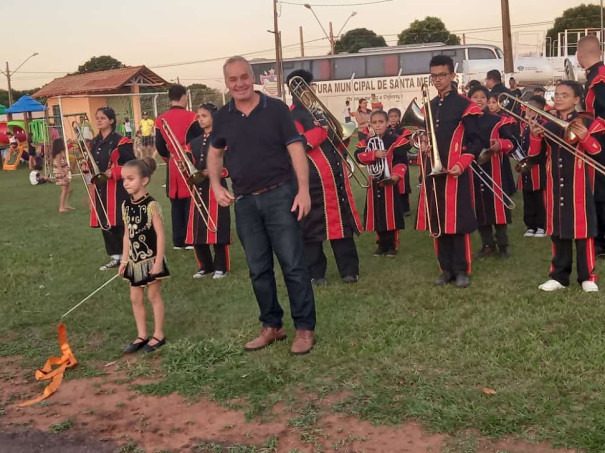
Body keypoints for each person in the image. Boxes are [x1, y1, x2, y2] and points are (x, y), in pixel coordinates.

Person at [207, 56, 316, 355]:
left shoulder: (276, 109)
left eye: (244, 77)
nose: (240, 83)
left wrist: (303, 191)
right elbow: (215, 153)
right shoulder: (223, 117)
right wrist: (216, 185)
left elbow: (297, 149)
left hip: (280, 195)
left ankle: (305, 328)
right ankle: (272, 326)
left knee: (293, 265)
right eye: (233, 79)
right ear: (226, 82)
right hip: (244, 202)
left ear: (252, 77)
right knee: (258, 269)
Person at [288, 69, 363, 285]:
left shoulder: (319, 111)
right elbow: (297, 143)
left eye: (310, 86)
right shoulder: (291, 115)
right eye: (308, 86)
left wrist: (341, 137)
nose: (311, 90)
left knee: (342, 226)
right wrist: (321, 131)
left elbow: (336, 138)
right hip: (310, 178)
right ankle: (315, 274)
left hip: (334, 175)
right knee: (311, 229)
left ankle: (349, 270)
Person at [528, 80, 603, 292]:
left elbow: (598, 153)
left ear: (577, 100)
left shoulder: (587, 123)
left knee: (583, 231)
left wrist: (585, 137)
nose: (559, 98)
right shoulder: (548, 123)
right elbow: (536, 157)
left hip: (580, 185)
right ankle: (559, 276)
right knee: (558, 231)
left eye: (565, 95)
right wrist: (534, 136)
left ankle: (587, 276)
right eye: (557, 94)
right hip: (555, 185)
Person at [416, 55, 483, 288]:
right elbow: (424, 136)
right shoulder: (429, 107)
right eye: (433, 75)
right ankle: (445, 268)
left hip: (456, 170)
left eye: (442, 75)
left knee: (458, 220)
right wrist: (422, 145)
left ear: (453, 76)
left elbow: (476, 141)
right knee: (438, 219)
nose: (438, 80)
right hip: (433, 170)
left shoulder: (466, 105)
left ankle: (461, 269)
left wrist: (462, 163)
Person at [119, 157, 169, 354]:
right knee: (135, 298)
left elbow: (161, 235)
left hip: (150, 260)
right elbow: (126, 234)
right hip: (134, 261)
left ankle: (159, 334)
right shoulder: (126, 205)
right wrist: (124, 259)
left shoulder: (151, 205)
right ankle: (142, 335)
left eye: (131, 179)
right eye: (124, 179)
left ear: (144, 180)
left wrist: (157, 263)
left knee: (153, 295)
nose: (126, 183)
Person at [468, 85, 516, 259]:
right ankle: (487, 244)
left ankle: (503, 245)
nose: (479, 100)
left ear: (488, 100)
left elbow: (511, 142)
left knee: (498, 208)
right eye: (475, 96)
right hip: (473, 169)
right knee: (480, 207)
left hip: (495, 169)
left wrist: (500, 145)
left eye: (483, 97)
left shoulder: (497, 120)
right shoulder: (466, 121)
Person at [155, 84, 204, 250]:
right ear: (184, 97)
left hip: (172, 164)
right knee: (191, 201)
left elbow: (160, 145)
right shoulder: (193, 117)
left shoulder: (160, 119)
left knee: (175, 203)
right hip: (189, 161)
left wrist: (169, 159)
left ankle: (178, 240)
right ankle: (190, 238)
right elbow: (200, 141)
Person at [186, 103, 232, 279]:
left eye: (204, 116)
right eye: (198, 116)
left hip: (217, 188)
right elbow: (189, 164)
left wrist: (213, 172)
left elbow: (229, 166)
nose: (200, 119)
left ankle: (221, 266)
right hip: (198, 189)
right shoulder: (194, 143)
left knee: (219, 226)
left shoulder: (222, 139)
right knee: (198, 228)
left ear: (214, 117)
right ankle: (205, 266)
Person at [355, 110, 409, 256]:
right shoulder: (367, 141)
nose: (378, 126)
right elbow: (358, 156)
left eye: (381, 122)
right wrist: (374, 154)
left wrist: (396, 176)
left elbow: (401, 161)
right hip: (374, 183)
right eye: (375, 123)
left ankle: (392, 244)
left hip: (390, 181)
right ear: (370, 124)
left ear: (387, 123)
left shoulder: (395, 139)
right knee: (377, 214)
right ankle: (381, 244)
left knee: (391, 214)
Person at [89, 107, 136, 271]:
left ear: (111, 120)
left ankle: (128, 255)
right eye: (97, 118)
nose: (99, 120)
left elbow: (132, 164)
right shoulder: (94, 142)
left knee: (120, 222)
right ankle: (115, 256)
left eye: (102, 118)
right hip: (100, 187)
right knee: (106, 222)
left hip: (117, 188)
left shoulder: (121, 141)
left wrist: (114, 172)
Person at [577, 34, 605, 257]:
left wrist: (586, 131)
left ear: (579, 55)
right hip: (596, 139)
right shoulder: (594, 76)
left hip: (600, 141)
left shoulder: (599, 78)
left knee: (601, 191)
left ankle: (601, 242)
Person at [518, 95, 547, 239]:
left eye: (527, 108)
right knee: (527, 197)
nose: (525, 111)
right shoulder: (526, 125)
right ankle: (530, 225)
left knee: (539, 198)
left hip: (538, 166)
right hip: (527, 166)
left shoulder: (541, 123)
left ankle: (541, 225)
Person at [51, 139, 74, 212]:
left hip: (63, 172)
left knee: (70, 189)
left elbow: (62, 163)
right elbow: (58, 165)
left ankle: (66, 204)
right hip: (61, 173)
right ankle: (61, 207)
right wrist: (63, 175)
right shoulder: (58, 154)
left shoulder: (61, 153)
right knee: (64, 190)